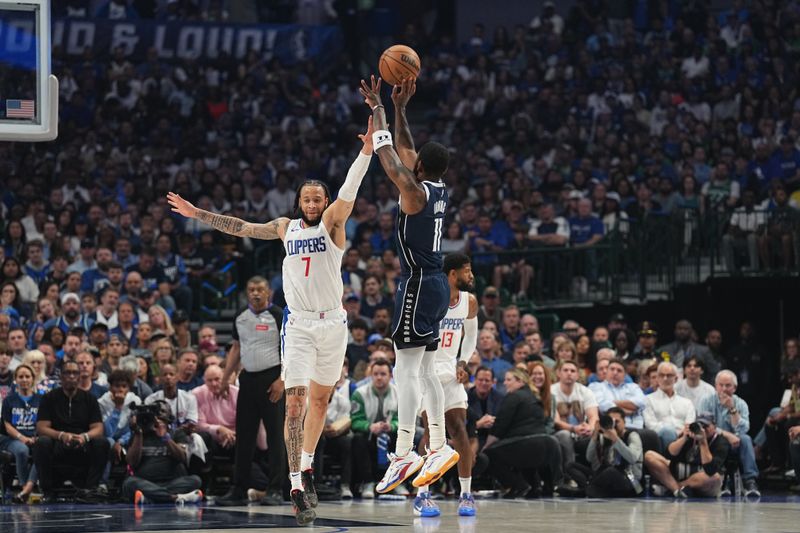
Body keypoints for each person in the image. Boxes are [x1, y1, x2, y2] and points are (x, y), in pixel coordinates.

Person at [167, 120, 375, 525]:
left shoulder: (334, 223)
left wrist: (366, 150)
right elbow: (241, 226)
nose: (313, 204)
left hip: (332, 324)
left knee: (320, 401)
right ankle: (296, 483)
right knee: (295, 402)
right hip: (296, 325)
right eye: (307, 199)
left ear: (324, 201)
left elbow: (350, 192)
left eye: (318, 199)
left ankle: (307, 467)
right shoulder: (285, 228)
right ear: (299, 201)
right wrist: (198, 214)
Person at [360, 76, 458, 494]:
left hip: (418, 284)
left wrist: (378, 106)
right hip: (435, 286)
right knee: (426, 368)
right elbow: (405, 153)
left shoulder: (414, 193)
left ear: (418, 168)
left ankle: (402, 453)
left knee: (405, 369)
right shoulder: (436, 187)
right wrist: (400, 109)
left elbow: (388, 157)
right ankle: (437, 444)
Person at [414, 252, 479, 518]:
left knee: (459, 430)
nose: (471, 275)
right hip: (426, 370)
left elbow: (471, 336)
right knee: (432, 433)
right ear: (452, 274)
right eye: (466, 270)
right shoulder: (430, 299)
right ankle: (422, 495)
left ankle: (466, 494)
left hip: (451, 373)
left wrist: (463, 363)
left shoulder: (469, 302)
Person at [33, 360, 110, 502]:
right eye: (67, 373)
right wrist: (61, 435)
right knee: (42, 442)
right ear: (61, 377)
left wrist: (84, 437)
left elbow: (98, 428)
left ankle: (89, 490)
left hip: (82, 443)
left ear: (80, 376)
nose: (71, 376)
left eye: (75, 373)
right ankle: (48, 491)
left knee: (102, 442)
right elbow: (42, 427)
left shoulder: (90, 399)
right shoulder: (49, 398)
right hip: (57, 442)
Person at [482, 368, 562, 498]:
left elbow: (500, 426)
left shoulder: (514, 396)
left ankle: (517, 485)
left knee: (489, 455)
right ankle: (534, 487)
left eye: (509, 380)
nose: (505, 383)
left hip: (529, 442)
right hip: (546, 443)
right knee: (521, 453)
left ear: (520, 381)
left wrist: (486, 446)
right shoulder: (534, 396)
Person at [122, 399, 204, 506]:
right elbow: (132, 462)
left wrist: (165, 437)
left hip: (172, 482)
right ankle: (175, 497)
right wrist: (138, 434)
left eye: (160, 419)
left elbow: (182, 457)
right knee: (129, 483)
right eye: (154, 419)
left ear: (168, 420)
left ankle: (151, 497)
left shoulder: (176, 433)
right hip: (146, 482)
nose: (156, 422)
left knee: (195, 480)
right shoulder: (139, 434)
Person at [698, 370, 760, 497]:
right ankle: (723, 479)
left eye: (728, 385)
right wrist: (726, 435)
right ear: (715, 386)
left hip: (735, 445)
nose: (724, 389)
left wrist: (732, 409)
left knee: (746, 439)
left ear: (735, 388)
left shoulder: (741, 404)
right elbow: (704, 426)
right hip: (713, 443)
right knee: (722, 441)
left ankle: (750, 481)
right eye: (721, 385)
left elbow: (743, 429)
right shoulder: (706, 401)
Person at [644, 413, 728, 498]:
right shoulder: (690, 436)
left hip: (702, 482)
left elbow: (710, 469)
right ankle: (677, 490)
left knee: (715, 478)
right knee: (650, 456)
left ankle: (672, 489)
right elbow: (668, 455)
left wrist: (703, 442)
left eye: (706, 426)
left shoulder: (721, 442)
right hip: (679, 472)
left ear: (714, 427)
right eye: (700, 426)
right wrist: (684, 438)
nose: (703, 429)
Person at [565, 407, 643, 498]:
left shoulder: (632, 436)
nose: (613, 425)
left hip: (631, 479)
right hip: (605, 475)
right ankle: (590, 489)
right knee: (570, 465)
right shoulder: (605, 436)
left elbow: (632, 458)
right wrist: (595, 435)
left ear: (624, 422)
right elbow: (589, 458)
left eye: (616, 422)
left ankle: (587, 490)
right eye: (611, 422)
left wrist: (616, 439)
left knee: (610, 471)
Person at [350, 357, 399, 499]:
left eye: (383, 374)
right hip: (369, 435)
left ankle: (396, 482)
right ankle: (368, 482)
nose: (379, 378)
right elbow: (354, 421)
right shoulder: (359, 393)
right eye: (376, 374)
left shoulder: (399, 394)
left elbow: (403, 420)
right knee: (358, 438)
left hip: (389, 434)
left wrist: (392, 426)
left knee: (403, 437)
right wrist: (369, 426)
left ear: (390, 376)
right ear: (371, 375)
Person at [0, 364, 41, 502]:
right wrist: (22, 437)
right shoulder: (9, 400)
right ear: (15, 379)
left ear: (33, 379)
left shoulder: (40, 400)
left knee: (43, 449)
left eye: (27, 376)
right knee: (22, 450)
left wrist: (36, 437)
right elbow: (7, 425)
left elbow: (44, 422)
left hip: (34, 437)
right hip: (11, 438)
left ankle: (28, 487)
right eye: (21, 376)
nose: (24, 379)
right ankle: (25, 487)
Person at [644, 362, 696, 450]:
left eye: (669, 375)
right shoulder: (648, 400)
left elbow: (690, 424)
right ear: (657, 378)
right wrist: (675, 433)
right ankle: (672, 461)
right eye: (661, 375)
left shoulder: (687, 403)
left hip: (684, 439)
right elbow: (651, 425)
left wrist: (683, 433)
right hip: (659, 441)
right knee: (667, 431)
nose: (665, 378)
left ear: (675, 379)